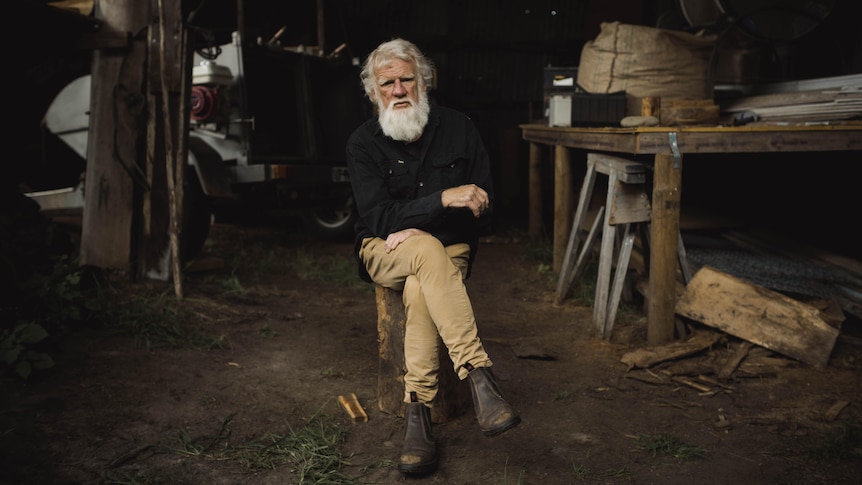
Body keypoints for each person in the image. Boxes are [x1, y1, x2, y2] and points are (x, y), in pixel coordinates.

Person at [345, 38, 520, 475]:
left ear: (425, 82)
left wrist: (470, 205)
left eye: (408, 79)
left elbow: (486, 206)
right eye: (388, 83)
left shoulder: (460, 128)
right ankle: (479, 375)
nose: (399, 89)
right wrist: (442, 200)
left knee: (425, 281)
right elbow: (380, 219)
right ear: (374, 92)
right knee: (423, 246)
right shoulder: (362, 143)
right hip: (383, 251)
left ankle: (417, 417)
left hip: (449, 249)